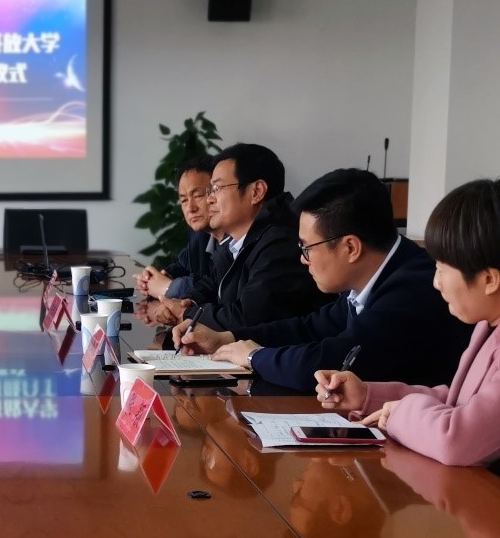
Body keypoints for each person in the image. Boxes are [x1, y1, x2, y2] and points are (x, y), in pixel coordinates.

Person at [317, 177, 500, 500]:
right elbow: (459, 402)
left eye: (442, 269)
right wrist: (368, 395)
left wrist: (398, 414)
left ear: (489, 279)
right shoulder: (495, 321)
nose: (436, 283)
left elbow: (459, 439)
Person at [174, 168, 471, 390]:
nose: (303, 259)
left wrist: (254, 357)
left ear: (350, 247)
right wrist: (226, 339)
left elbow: (330, 361)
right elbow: (310, 327)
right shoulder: (376, 276)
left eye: (307, 247)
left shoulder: (413, 289)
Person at [155, 143, 330, 331]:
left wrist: (186, 313)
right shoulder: (239, 241)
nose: (210, 199)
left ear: (256, 192)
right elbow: (214, 284)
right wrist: (186, 302)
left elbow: (247, 319)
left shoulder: (281, 242)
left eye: (217, 188)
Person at [134, 155, 221, 300]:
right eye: (184, 200)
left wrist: (168, 287)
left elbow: (219, 291)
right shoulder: (199, 234)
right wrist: (156, 277)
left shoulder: (236, 237)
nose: (190, 208)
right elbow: (183, 265)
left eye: (198, 196)